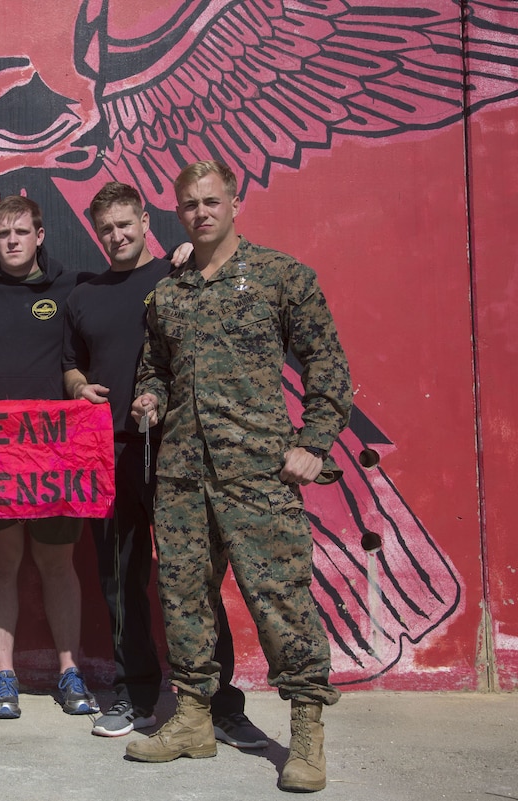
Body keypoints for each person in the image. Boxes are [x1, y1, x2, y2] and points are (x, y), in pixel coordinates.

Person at [128, 160, 351, 793]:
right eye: (190, 205)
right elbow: (156, 372)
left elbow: (328, 368)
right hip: (181, 476)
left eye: (211, 201)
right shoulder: (168, 294)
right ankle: (193, 719)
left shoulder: (283, 278)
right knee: (185, 598)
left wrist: (313, 444)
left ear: (235, 202)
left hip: (257, 472)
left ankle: (306, 731)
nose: (201, 212)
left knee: (280, 595)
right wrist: (149, 399)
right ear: (179, 213)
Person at [63, 182, 267, 745]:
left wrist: (187, 255)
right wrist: (79, 386)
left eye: (125, 224)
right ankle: (137, 692)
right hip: (111, 453)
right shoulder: (84, 295)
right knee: (119, 580)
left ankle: (219, 702)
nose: (117, 235)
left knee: (193, 579)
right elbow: (70, 366)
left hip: (179, 451)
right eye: (106, 228)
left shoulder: (178, 276)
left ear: (146, 221)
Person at [0, 195, 97, 719]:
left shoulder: (73, 287)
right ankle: (3, 675)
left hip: (55, 457)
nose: (12, 241)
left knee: (58, 564)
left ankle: (68, 670)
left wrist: (179, 257)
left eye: (22, 232)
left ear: (40, 234)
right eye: (3, 233)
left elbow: (131, 288)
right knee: (1, 565)